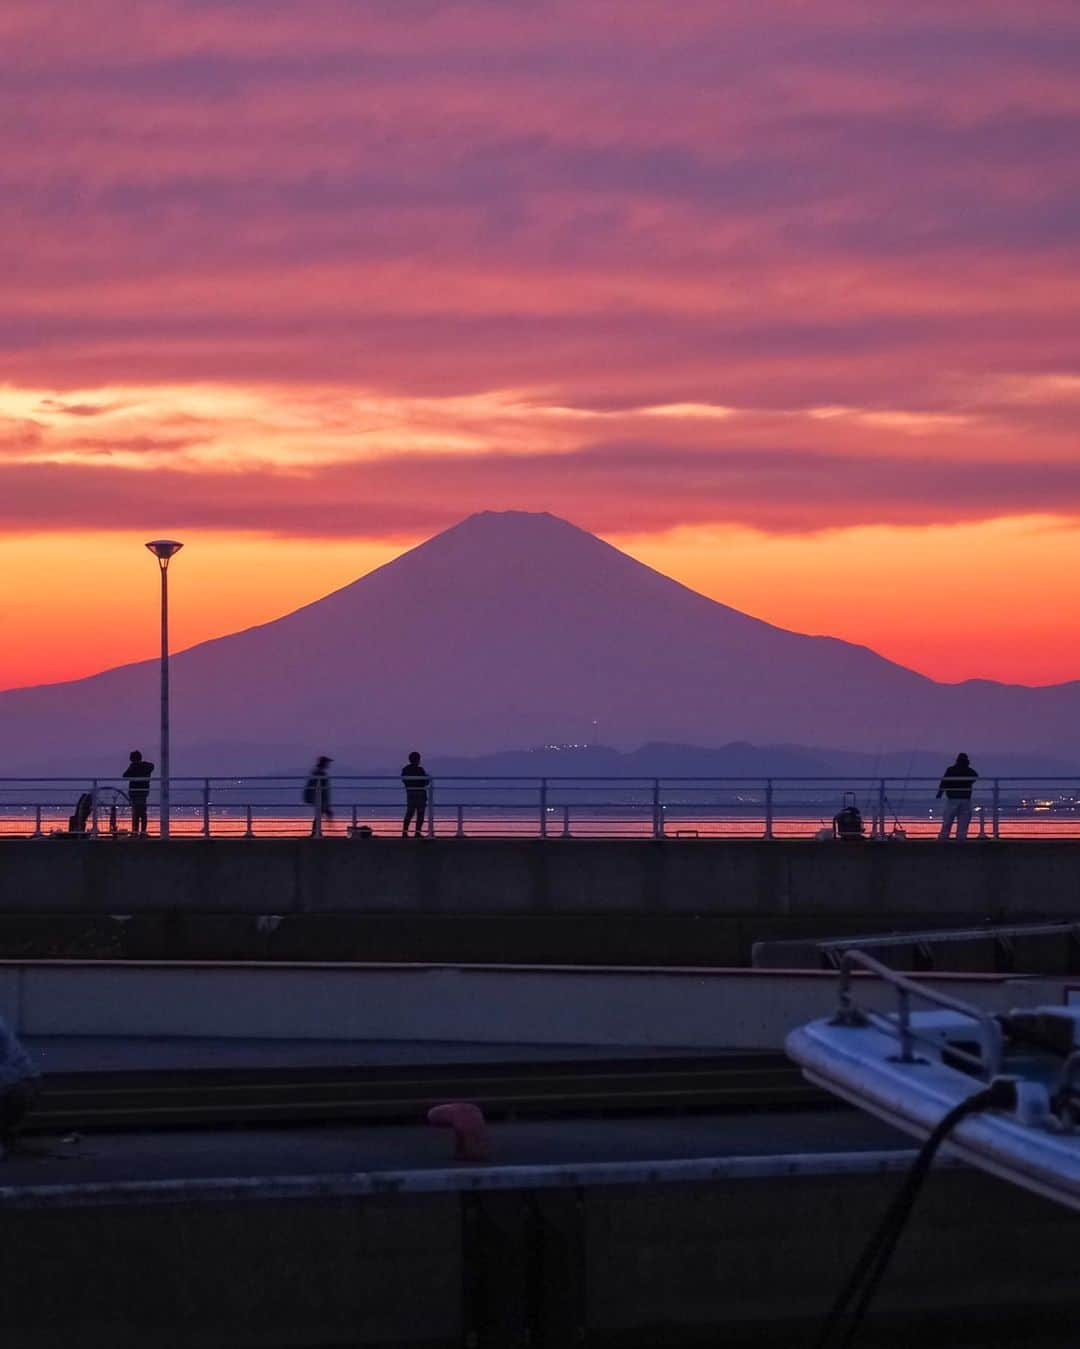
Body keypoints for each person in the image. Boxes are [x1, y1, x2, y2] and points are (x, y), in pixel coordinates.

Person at [0, 1015, 40, 1159]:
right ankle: (6, 1135)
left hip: (19, 1082)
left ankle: (5, 1136)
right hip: (16, 1081)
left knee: (17, 1091)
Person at [937, 752, 978, 840]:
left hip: (952, 798)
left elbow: (944, 782)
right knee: (963, 822)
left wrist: (940, 793)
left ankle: (943, 838)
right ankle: (961, 839)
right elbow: (975, 776)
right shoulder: (969, 771)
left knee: (948, 820)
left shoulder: (951, 770)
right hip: (965, 798)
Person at [123, 749, 155, 836]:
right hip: (143, 792)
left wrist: (133, 767)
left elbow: (125, 776)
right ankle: (142, 831)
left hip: (135, 792)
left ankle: (136, 832)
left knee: (136, 813)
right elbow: (152, 766)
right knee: (142, 812)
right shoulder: (146, 766)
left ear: (133, 759)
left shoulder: (133, 767)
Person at [401, 751, 430, 838]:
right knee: (419, 814)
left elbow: (405, 781)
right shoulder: (420, 770)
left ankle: (405, 832)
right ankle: (416, 832)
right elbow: (425, 781)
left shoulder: (406, 769)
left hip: (411, 793)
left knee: (410, 813)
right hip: (420, 793)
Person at [304, 756, 334, 834]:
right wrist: (326, 805)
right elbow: (323, 790)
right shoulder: (320, 773)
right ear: (324, 763)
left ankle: (316, 832)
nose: (328, 765)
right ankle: (316, 832)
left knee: (319, 814)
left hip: (316, 797)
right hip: (318, 797)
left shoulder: (316, 772)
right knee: (319, 814)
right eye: (327, 763)